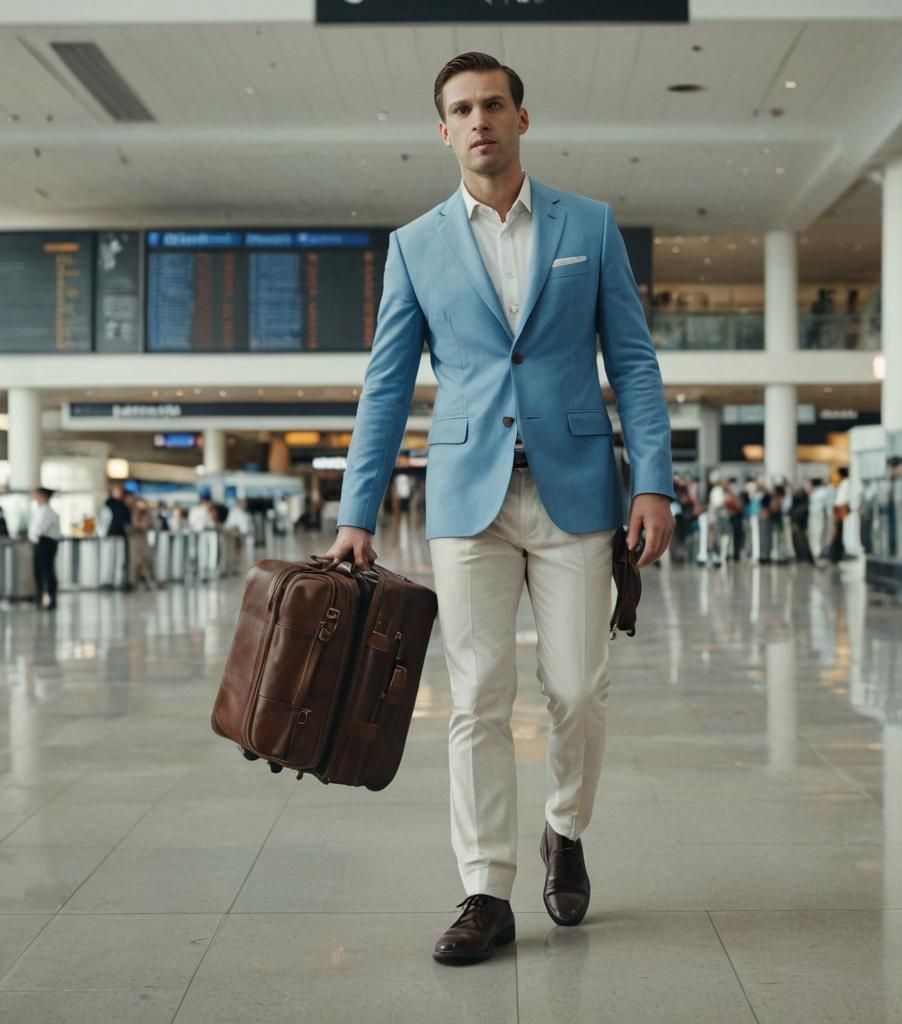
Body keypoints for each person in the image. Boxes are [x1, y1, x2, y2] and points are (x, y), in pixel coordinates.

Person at [321, 51, 674, 966]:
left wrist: (654, 482)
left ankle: (565, 826)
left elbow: (632, 362)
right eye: (460, 110)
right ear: (444, 131)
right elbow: (386, 386)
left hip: (577, 493)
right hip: (467, 496)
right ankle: (485, 887)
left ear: (522, 117)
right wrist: (358, 509)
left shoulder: (589, 227)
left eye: (492, 105)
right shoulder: (416, 244)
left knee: (578, 689)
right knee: (476, 696)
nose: (478, 121)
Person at [28, 487, 61, 610]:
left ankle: (49, 599)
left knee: (47, 572)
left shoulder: (47, 512)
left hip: (45, 543)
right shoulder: (40, 510)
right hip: (40, 543)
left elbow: (40, 530)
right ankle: (41, 598)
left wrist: (35, 536)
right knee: (40, 572)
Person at [830, 467, 851, 563]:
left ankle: (837, 555)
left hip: (841, 510)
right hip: (840, 510)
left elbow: (841, 500)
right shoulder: (845, 483)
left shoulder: (846, 483)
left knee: (839, 533)